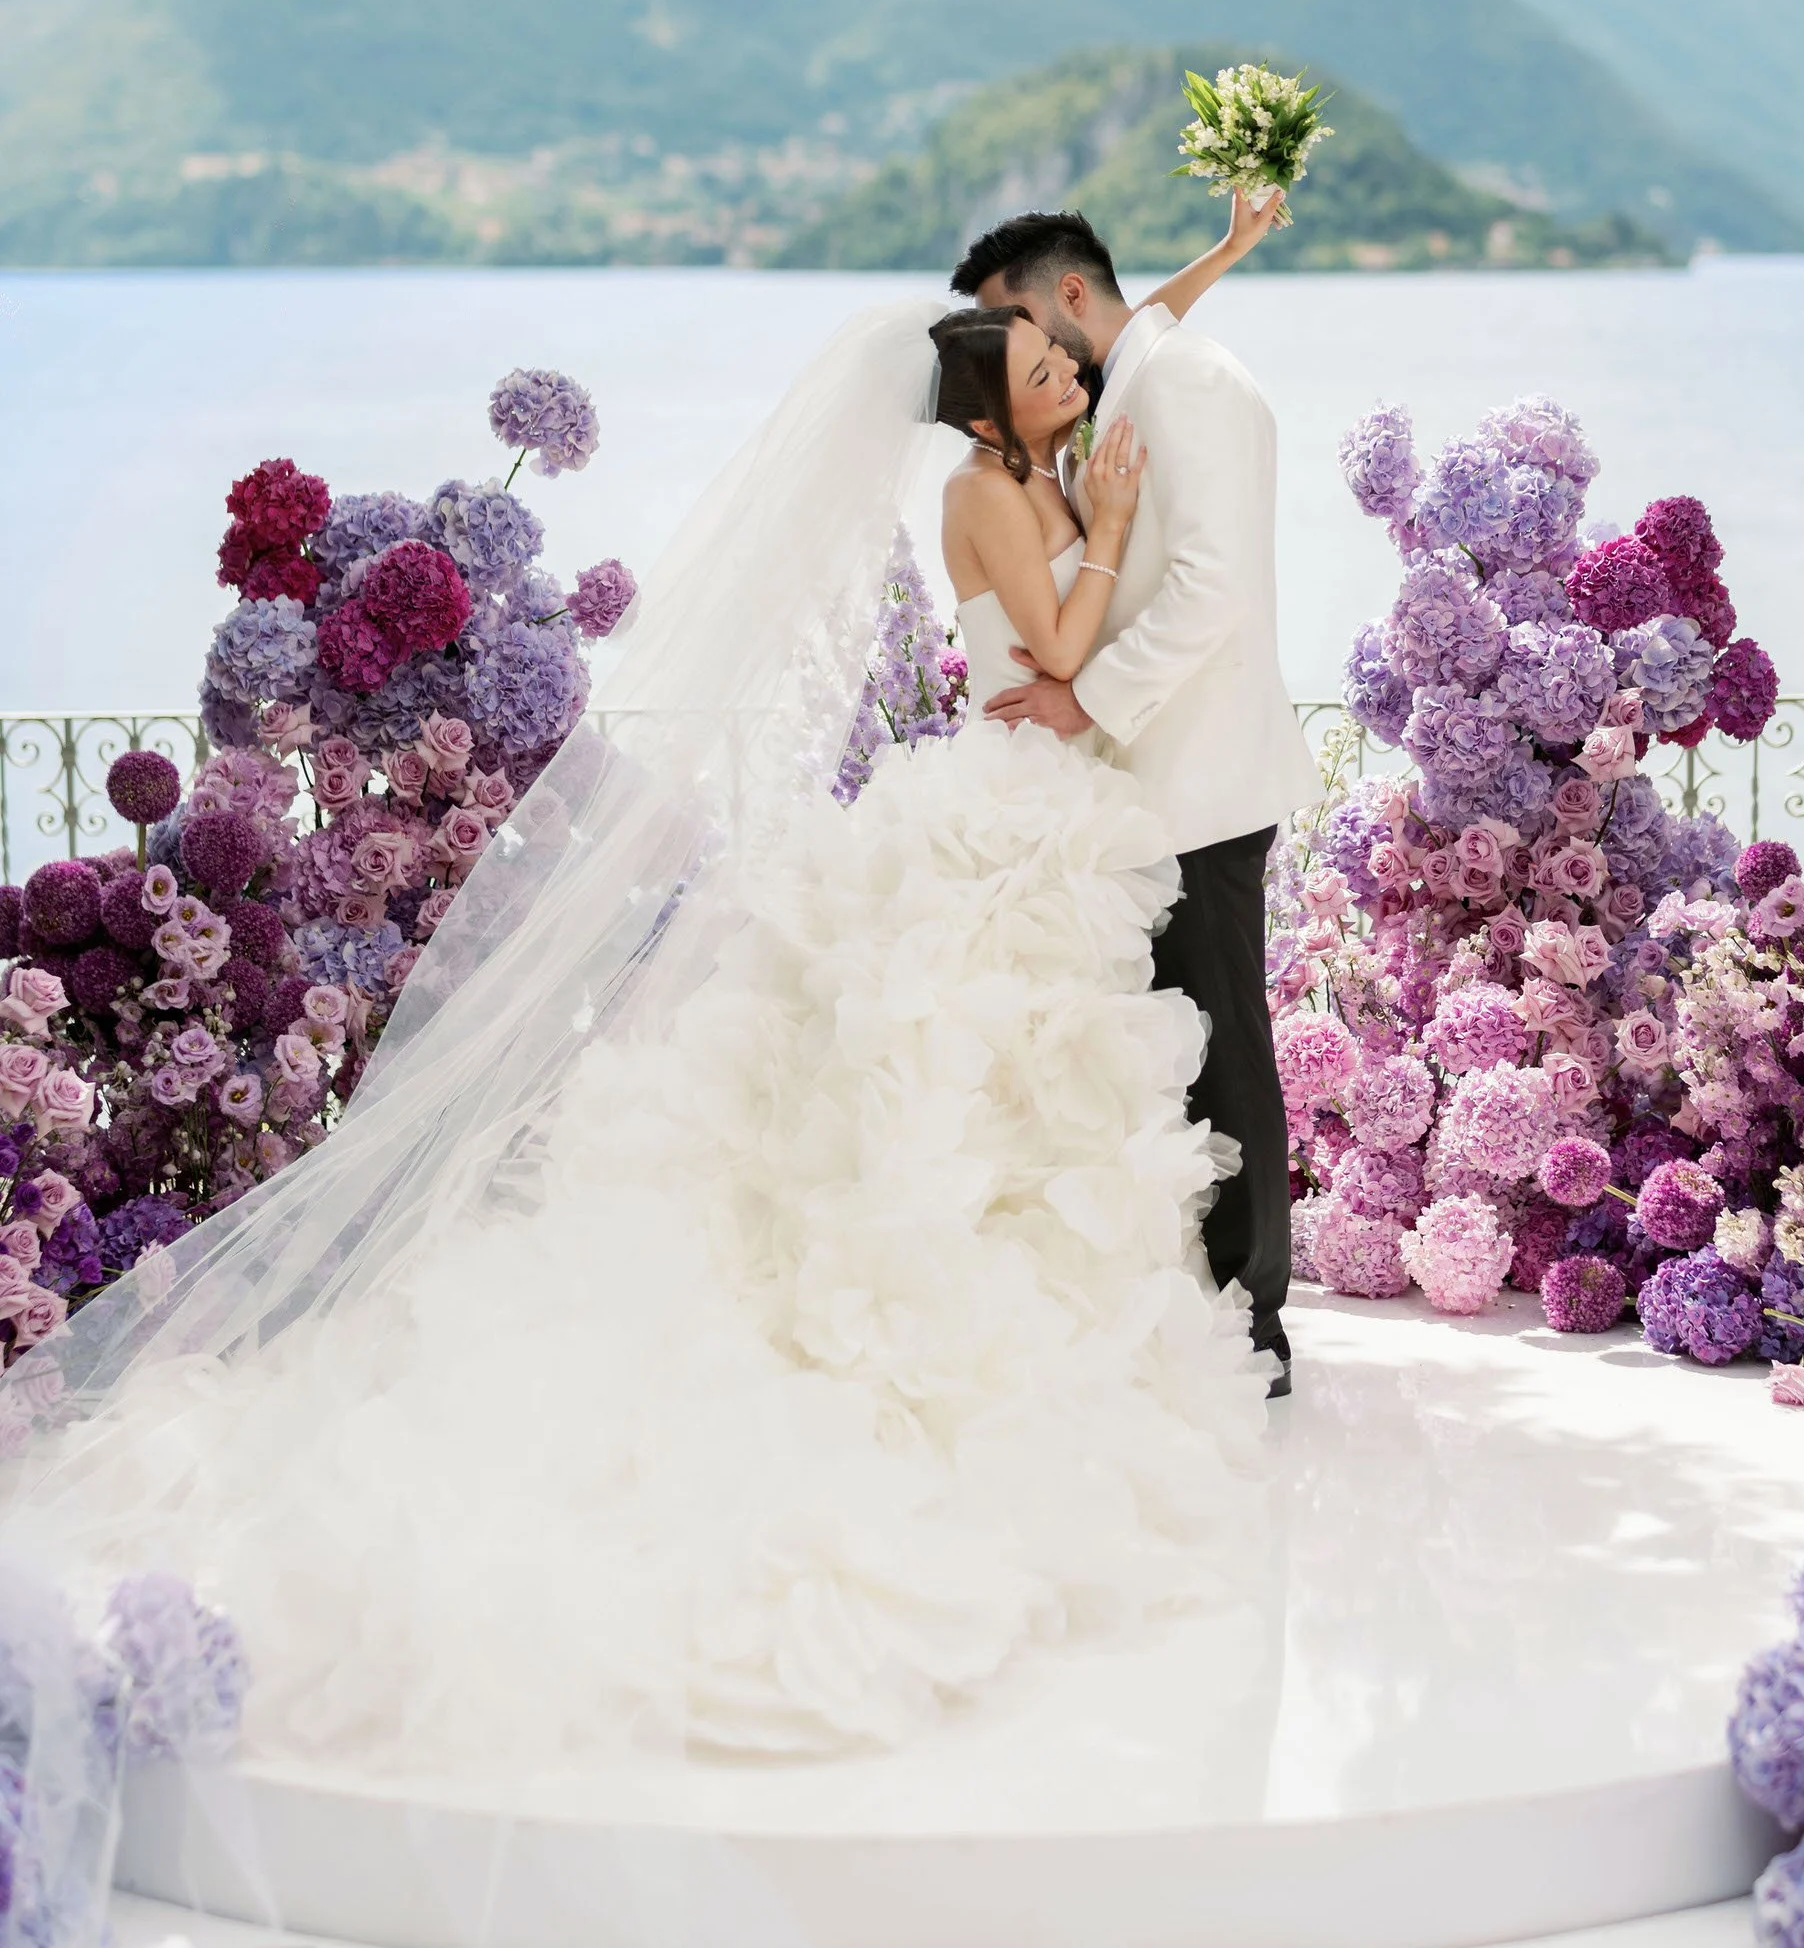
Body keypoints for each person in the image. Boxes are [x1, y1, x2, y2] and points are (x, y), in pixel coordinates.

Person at [5, 230, 1287, 1805]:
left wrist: (1225, 248)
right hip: (1012, 803)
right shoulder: (987, 496)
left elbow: (1130, 328)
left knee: (1019, 1079)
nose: (1070, 374)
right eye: (1040, 367)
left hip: (1041, 814)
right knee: (961, 1065)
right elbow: (1068, 653)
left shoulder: (1034, 449)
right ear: (986, 412)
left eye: (1060, 357)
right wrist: (1127, 525)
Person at [953, 207, 1318, 1394]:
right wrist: (1222, 251)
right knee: (1173, 1054)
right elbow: (1143, 318)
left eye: (1014, 324)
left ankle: (1252, 1328)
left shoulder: (1184, 385)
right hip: (1136, 790)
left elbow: (1208, 586)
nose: (1019, 360)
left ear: (1060, 303)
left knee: (1225, 1055)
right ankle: (1186, 1306)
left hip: (1194, 775)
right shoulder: (1143, 367)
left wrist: (1084, 701)